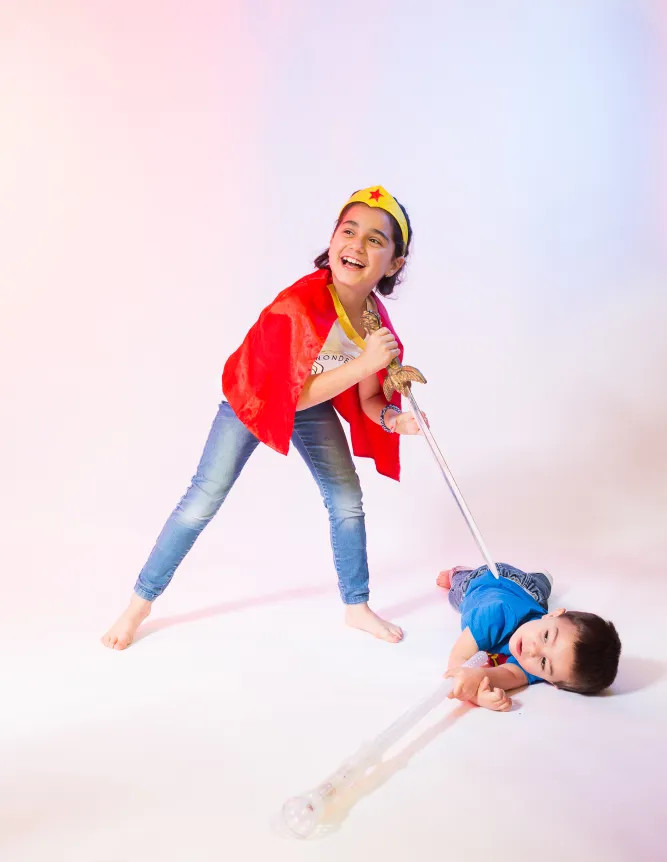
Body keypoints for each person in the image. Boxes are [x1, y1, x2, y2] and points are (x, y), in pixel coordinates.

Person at [103, 186, 426, 650]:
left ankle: (356, 606)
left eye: (375, 240)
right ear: (333, 239)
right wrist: (362, 365)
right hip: (254, 399)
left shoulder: (375, 324)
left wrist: (395, 419)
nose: (357, 244)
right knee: (203, 499)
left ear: (394, 263)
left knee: (346, 499)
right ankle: (139, 604)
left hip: (311, 402)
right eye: (349, 231)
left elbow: (370, 396)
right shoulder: (297, 305)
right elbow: (282, 397)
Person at [437, 562, 621, 711]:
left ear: (552, 682)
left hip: (528, 594)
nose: (532, 650)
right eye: (546, 636)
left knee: (538, 591)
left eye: (544, 662)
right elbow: (459, 659)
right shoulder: (497, 613)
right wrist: (472, 692)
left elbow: (506, 675)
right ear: (553, 615)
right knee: (457, 592)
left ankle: (541, 579)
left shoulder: (539, 668)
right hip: (485, 580)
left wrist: (480, 685)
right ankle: (458, 573)